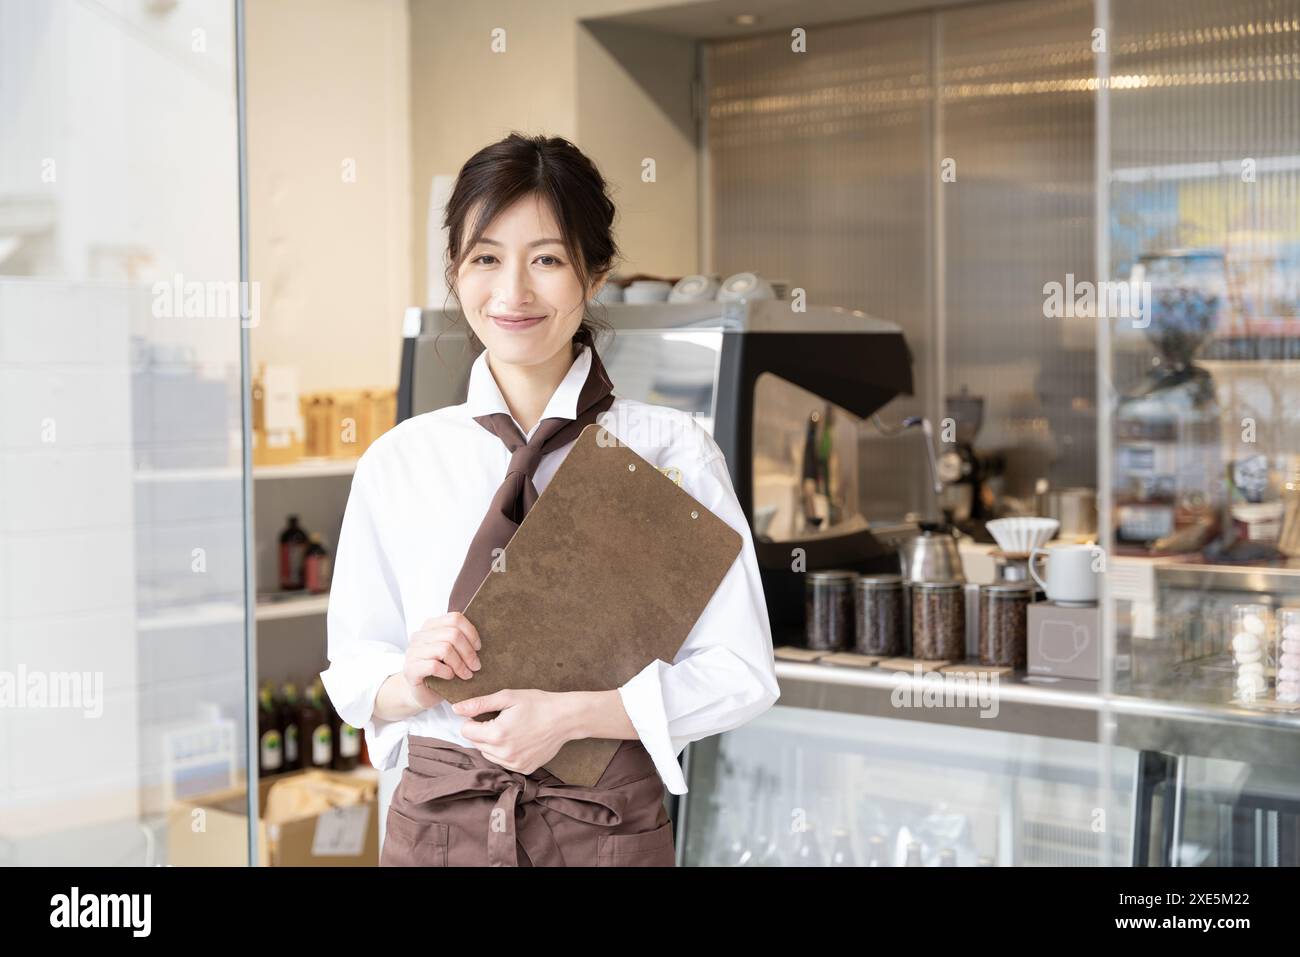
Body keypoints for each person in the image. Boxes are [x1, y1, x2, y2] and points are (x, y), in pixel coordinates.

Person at [320, 132, 779, 867]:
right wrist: (407, 679)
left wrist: (577, 716)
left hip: (606, 828)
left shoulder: (669, 453)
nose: (513, 292)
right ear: (455, 271)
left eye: (547, 259)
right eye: (486, 258)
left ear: (594, 274)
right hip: (438, 832)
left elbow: (740, 672)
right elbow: (352, 674)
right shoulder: (399, 461)